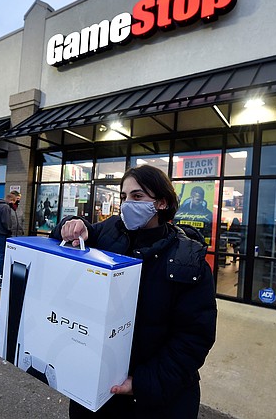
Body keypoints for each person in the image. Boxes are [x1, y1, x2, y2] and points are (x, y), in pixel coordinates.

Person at [52, 165, 217, 418]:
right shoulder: (109, 231)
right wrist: (70, 225)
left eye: (137, 197)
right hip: (96, 389)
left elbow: (193, 339)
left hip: (158, 401)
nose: (127, 203)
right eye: (124, 196)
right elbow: (72, 234)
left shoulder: (188, 261)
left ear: (161, 203)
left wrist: (142, 383)